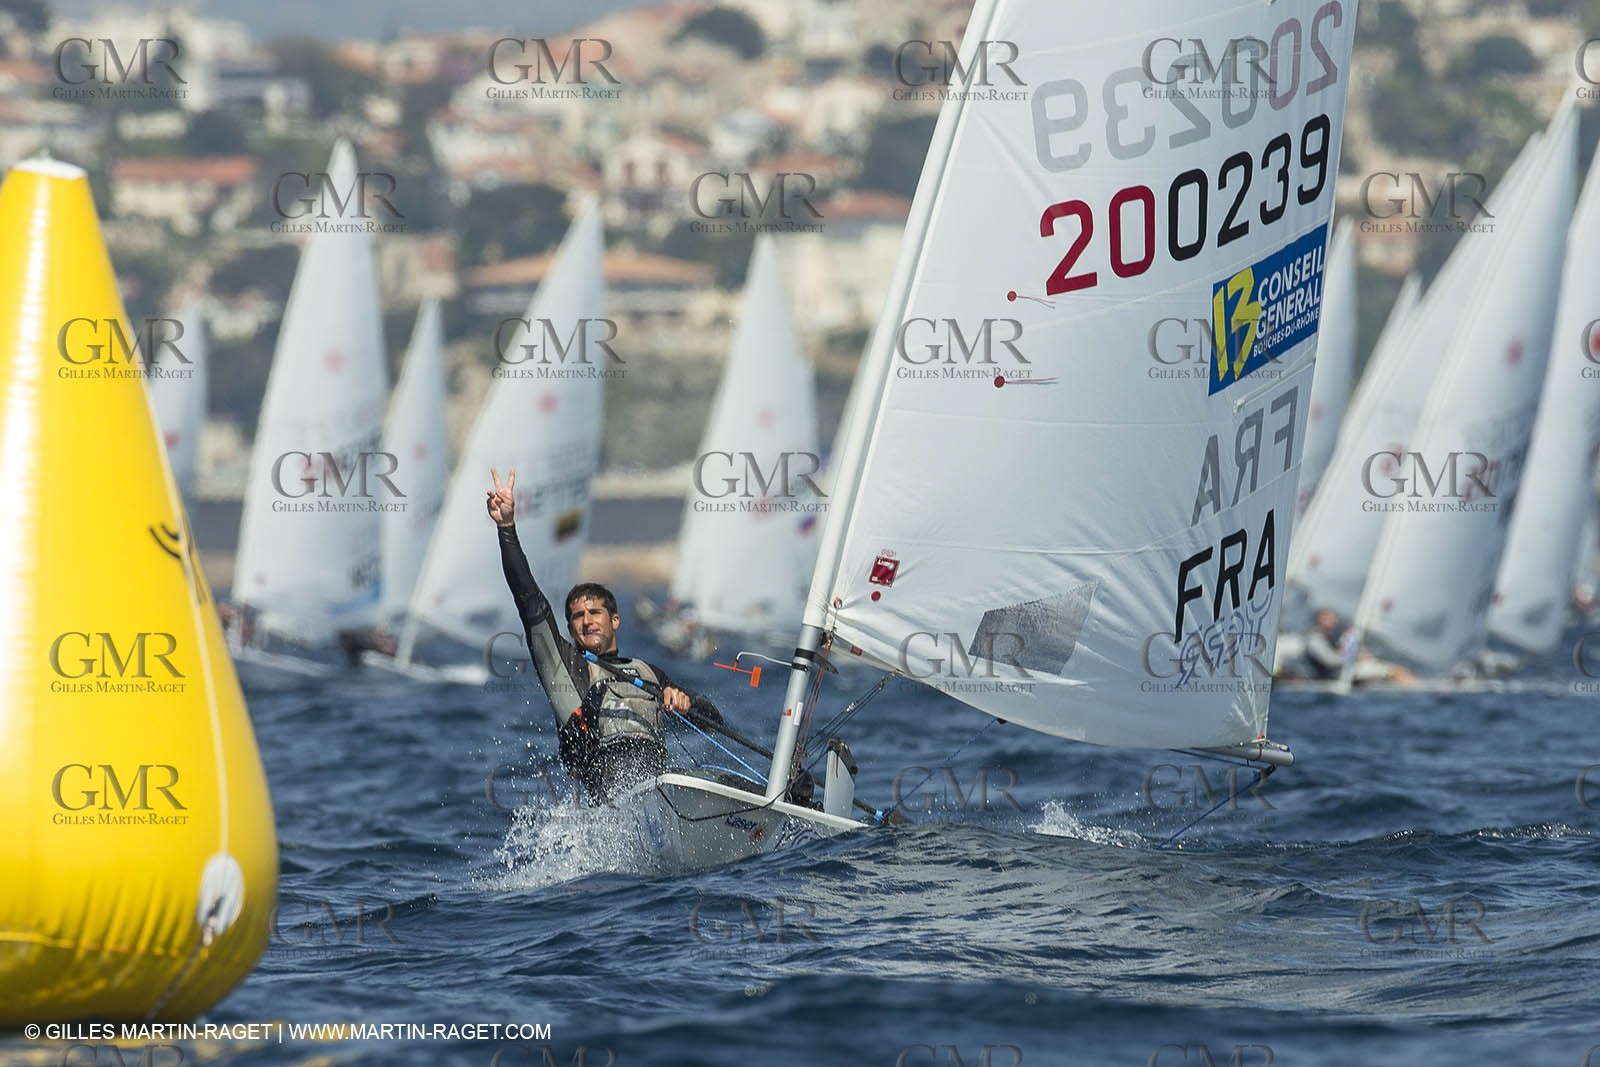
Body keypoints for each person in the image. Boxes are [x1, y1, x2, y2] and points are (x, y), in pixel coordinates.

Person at [488, 468, 693, 802]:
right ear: (569, 629)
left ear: (615, 620)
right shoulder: (562, 665)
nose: (586, 622)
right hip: (610, 807)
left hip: (660, 800)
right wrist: (506, 527)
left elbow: (710, 718)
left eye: (595, 613)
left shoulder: (648, 673)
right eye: (577, 617)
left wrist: (685, 701)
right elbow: (527, 598)